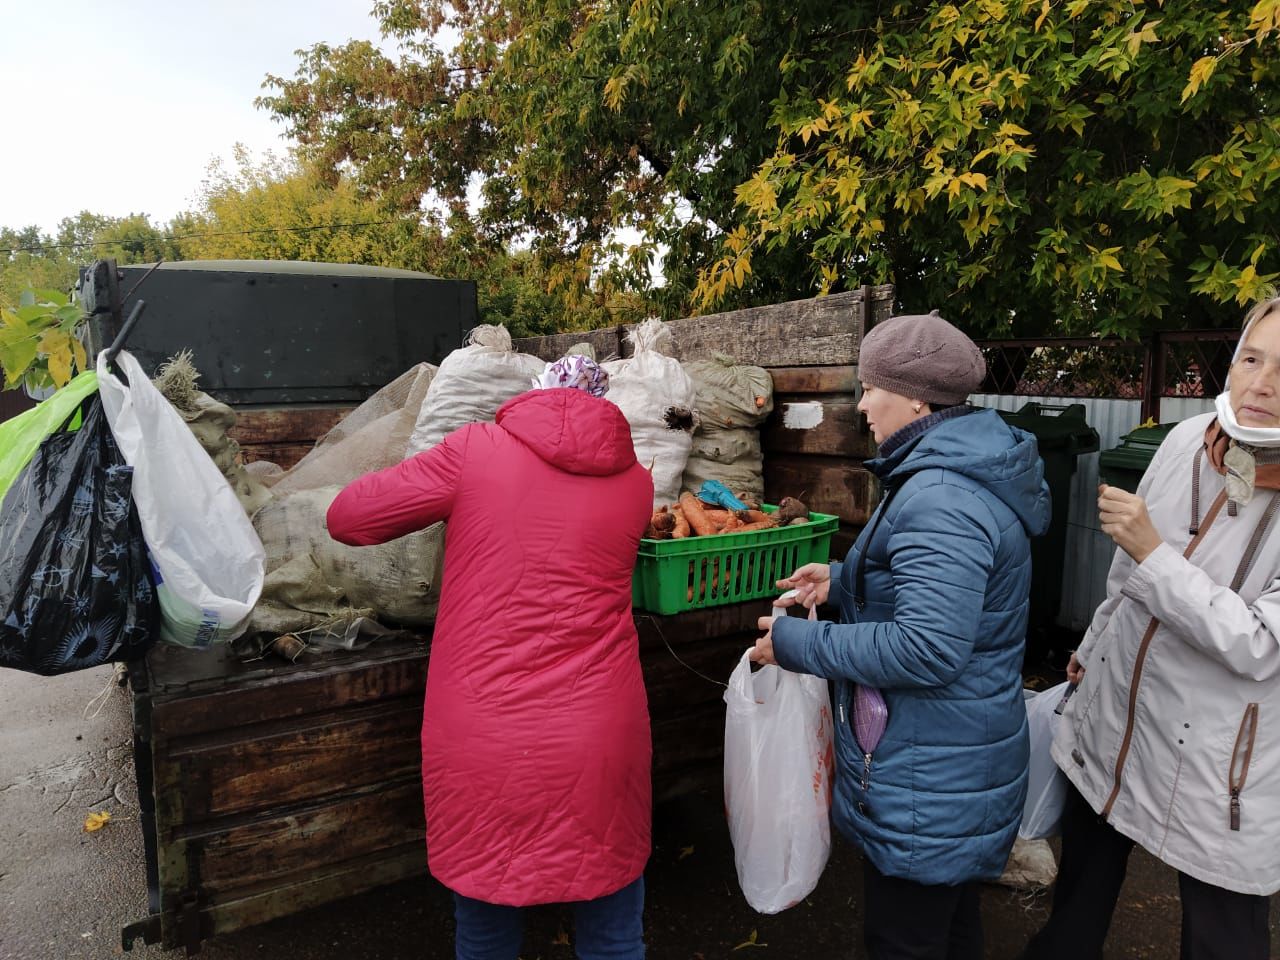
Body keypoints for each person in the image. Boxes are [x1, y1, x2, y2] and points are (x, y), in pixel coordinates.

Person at [327, 356, 653, 960]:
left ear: (532, 398)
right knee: (613, 930)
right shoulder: (637, 480)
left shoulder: (475, 448)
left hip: (487, 734)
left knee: (486, 931)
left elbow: (347, 518)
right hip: (601, 730)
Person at [750, 310, 1052, 960]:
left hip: (930, 775)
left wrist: (799, 645)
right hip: (951, 763)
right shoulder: (953, 466)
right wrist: (843, 582)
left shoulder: (941, 493)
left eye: (870, 388)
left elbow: (927, 648)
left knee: (906, 941)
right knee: (950, 929)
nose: (863, 406)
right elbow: (942, 595)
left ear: (915, 397)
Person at [1021, 297, 1280, 960]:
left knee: (1223, 930)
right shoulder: (1185, 439)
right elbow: (1122, 577)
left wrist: (1155, 555)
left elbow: (1259, 644)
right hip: (1123, 716)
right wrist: (1097, 640)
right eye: (1252, 358)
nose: (1262, 383)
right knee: (1080, 890)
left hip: (1221, 758)